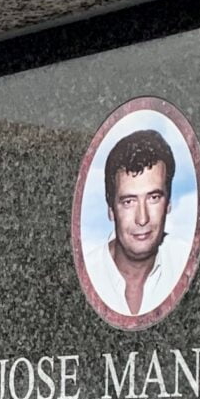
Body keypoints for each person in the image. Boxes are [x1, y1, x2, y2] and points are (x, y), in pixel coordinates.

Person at [83, 124, 185, 322]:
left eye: (153, 198)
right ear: (111, 209)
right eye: (128, 202)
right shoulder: (87, 272)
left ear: (169, 202)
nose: (142, 218)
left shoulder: (187, 263)